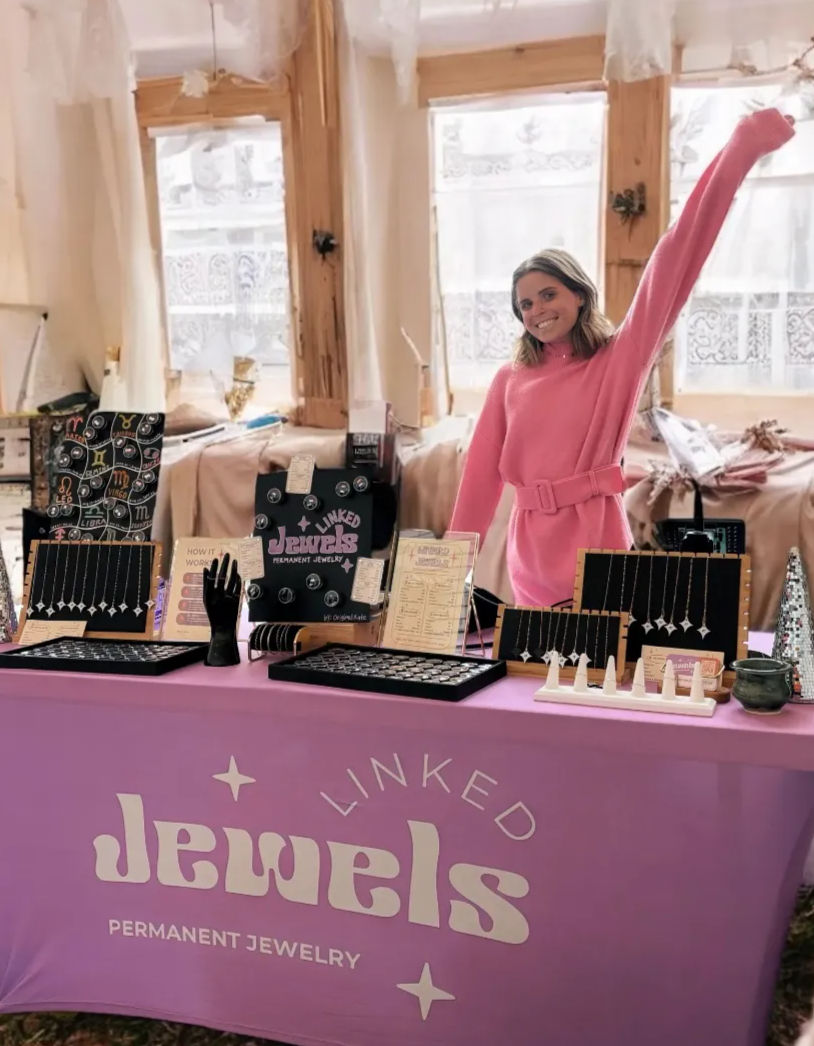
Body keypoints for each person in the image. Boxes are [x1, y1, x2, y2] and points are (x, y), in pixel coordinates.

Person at [448, 107, 795, 608]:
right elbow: (480, 479)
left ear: (579, 295)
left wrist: (740, 149)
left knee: (604, 676)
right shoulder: (510, 379)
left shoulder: (617, 360)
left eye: (548, 294)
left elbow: (675, 259)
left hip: (598, 547)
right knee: (533, 683)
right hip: (530, 556)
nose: (537, 310)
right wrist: (448, 571)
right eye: (525, 304)